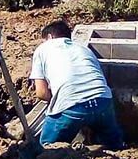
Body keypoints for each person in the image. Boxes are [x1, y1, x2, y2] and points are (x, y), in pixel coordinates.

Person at [29, 20, 125, 150]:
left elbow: (41, 93)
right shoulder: (84, 49)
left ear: (50, 37)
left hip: (71, 106)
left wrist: (56, 102)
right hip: (103, 101)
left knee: (47, 148)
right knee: (114, 146)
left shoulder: (43, 49)